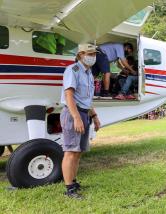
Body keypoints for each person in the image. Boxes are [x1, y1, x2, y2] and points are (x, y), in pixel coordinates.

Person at [60, 44, 101, 199]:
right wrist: (76, 117)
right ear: (81, 54)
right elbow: (69, 95)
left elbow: (86, 99)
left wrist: (94, 116)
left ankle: (73, 181)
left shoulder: (89, 73)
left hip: (84, 113)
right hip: (73, 114)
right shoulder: (73, 70)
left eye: (94, 53)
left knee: (78, 152)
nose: (93, 56)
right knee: (70, 151)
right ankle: (69, 189)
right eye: (90, 53)